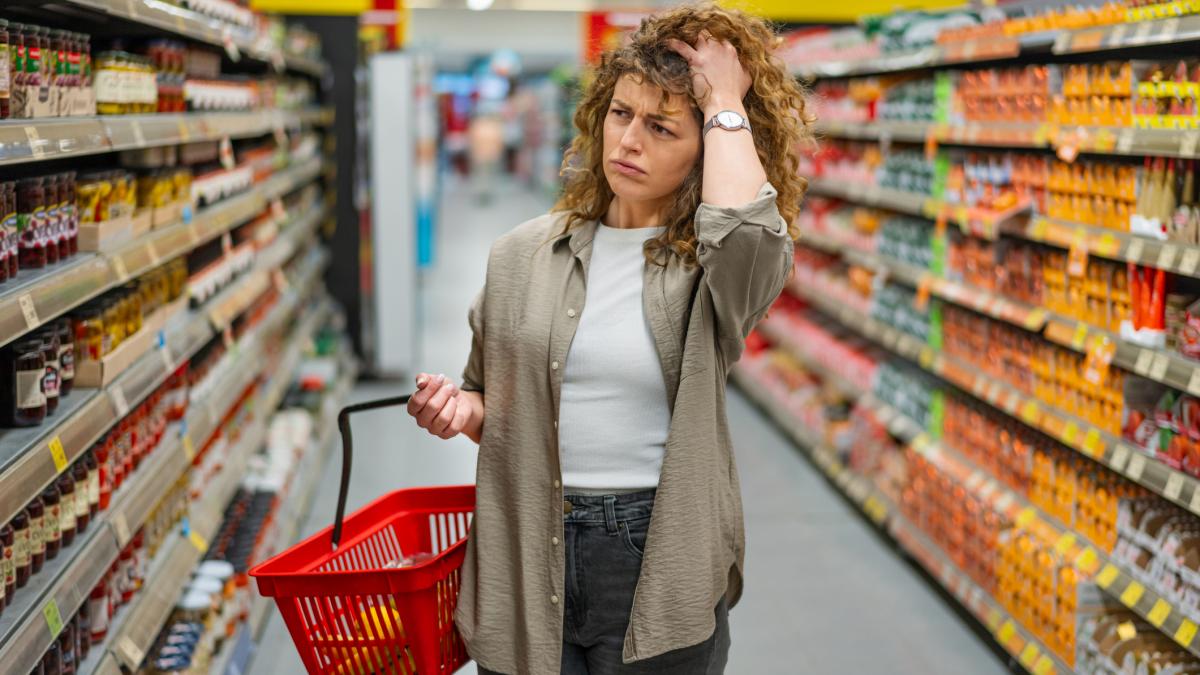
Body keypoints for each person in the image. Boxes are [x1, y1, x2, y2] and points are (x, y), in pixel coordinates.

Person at [406, 4, 811, 673]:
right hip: (526, 542)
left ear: (707, 145)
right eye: (621, 114)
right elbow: (488, 400)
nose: (629, 141)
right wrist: (459, 409)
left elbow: (744, 228)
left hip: (655, 551)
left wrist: (725, 98)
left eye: (661, 127)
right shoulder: (521, 253)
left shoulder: (714, 273)